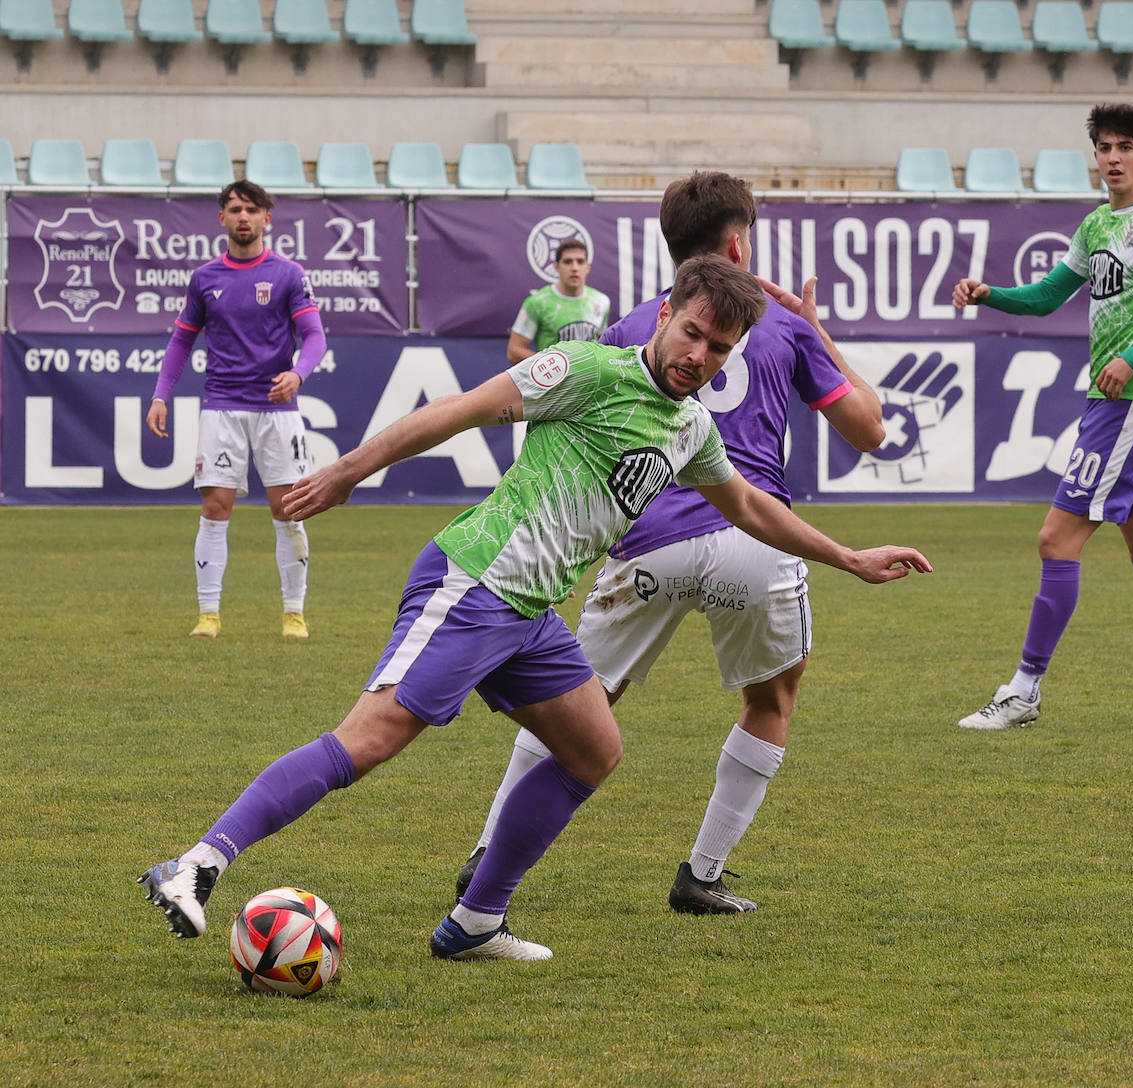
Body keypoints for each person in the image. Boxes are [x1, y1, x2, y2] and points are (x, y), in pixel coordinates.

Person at [138, 254, 932, 962]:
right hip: (477, 581)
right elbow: (462, 409)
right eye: (691, 333)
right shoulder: (587, 369)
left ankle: (476, 919)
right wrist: (350, 470)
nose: (700, 357)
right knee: (371, 738)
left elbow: (751, 508)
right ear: (664, 316)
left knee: (594, 751)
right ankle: (198, 863)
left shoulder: (689, 425)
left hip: (531, 614)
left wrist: (848, 558)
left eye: (718, 348)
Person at [456, 171, 888, 916]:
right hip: (752, 541)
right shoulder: (778, 322)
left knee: (575, 700)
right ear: (737, 242)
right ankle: (704, 873)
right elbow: (869, 430)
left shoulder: (638, 326)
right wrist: (817, 328)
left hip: (649, 542)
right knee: (773, 696)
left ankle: (489, 851)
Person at [951, 103, 1133, 732]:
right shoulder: (1094, 228)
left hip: (1130, 405)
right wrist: (991, 294)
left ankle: (1024, 691)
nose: (1113, 157)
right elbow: (1048, 296)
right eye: (1104, 147)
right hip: (1111, 402)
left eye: (1125, 146)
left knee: (1056, 540)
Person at [146, 179, 328, 640]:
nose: (243, 217)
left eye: (251, 209)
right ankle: (208, 614)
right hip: (222, 406)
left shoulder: (288, 274)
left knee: (288, 509)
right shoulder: (206, 278)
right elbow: (182, 339)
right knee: (215, 505)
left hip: (277, 409)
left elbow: (314, 337)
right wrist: (161, 395)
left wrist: (298, 375)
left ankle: (293, 614)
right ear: (221, 219)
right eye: (234, 209)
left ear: (267, 219)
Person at [506, 238, 610, 363]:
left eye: (580, 261)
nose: (574, 268)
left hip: (590, 380)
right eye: (567, 262)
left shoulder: (601, 301)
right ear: (556, 266)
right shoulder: (537, 303)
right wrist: (552, 364)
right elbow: (514, 351)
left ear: (587, 267)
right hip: (555, 381)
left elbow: (603, 344)